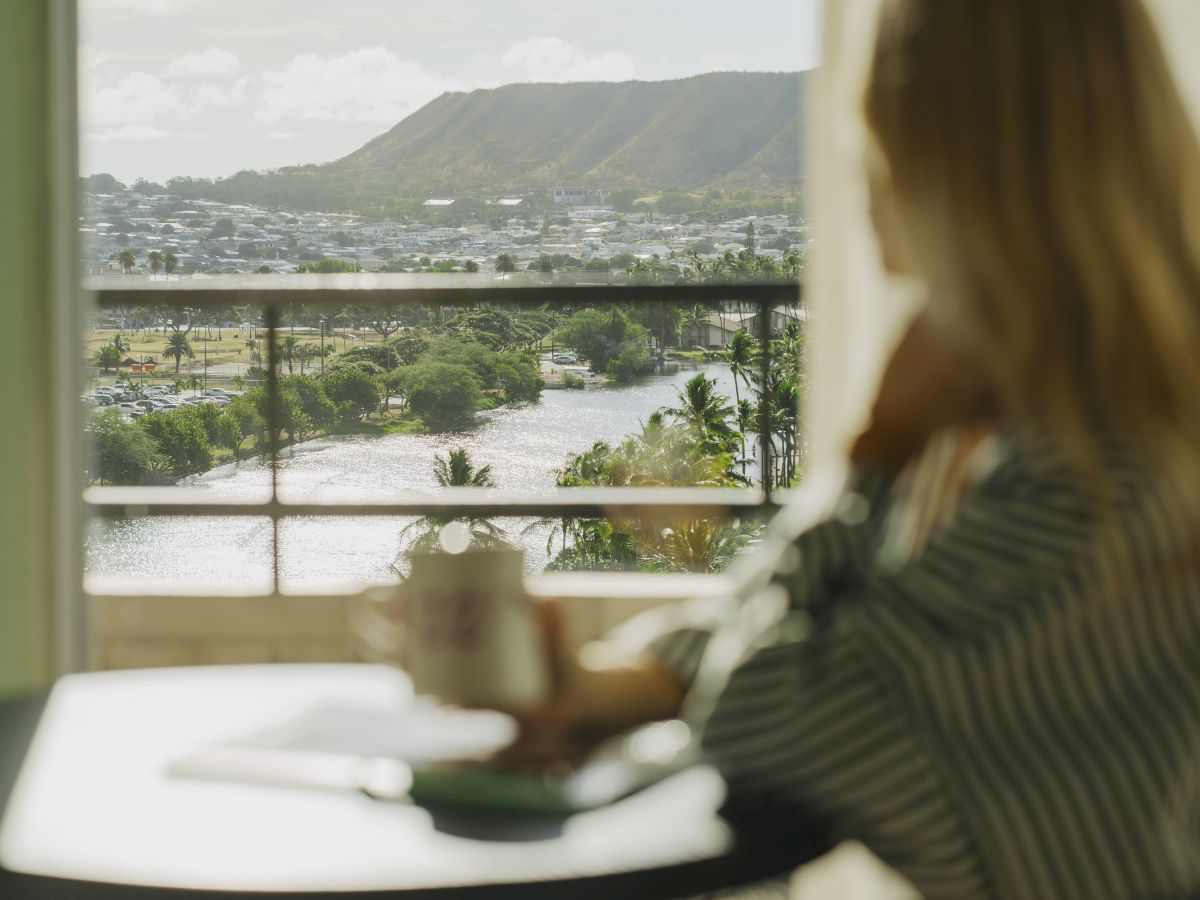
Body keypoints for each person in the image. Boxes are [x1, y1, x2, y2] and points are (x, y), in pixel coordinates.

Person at [510, 1, 1200, 898]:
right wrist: (612, 686)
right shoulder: (1073, 435)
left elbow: (768, 717)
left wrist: (869, 465)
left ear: (963, 180)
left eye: (879, 151)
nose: (864, 192)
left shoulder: (1089, 495)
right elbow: (854, 628)